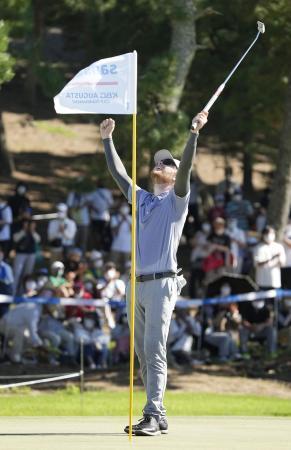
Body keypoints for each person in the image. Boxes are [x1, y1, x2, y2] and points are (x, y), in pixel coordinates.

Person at [100, 111, 208, 436]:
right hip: (136, 284)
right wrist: (107, 140)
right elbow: (119, 174)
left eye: (168, 163)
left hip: (162, 283)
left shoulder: (178, 200)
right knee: (142, 355)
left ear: (175, 176)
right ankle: (157, 414)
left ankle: (151, 414)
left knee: (154, 349)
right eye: (159, 162)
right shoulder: (143, 199)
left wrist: (193, 134)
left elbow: (187, 167)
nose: (161, 164)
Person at [13, 218, 41, 295]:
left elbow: (38, 240)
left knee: (27, 274)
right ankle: (12, 292)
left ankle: (23, 292)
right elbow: (15, 239)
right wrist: (24, 231)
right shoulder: (20, 227)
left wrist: (32, 231)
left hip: (31, 254)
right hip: (20, 253)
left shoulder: (33, 232)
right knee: (16, 273)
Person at [0, 195, 13, 259]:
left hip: (4, 236)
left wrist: (2, 222)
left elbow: (9, 220)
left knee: (4, 256)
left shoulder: (6, 208)